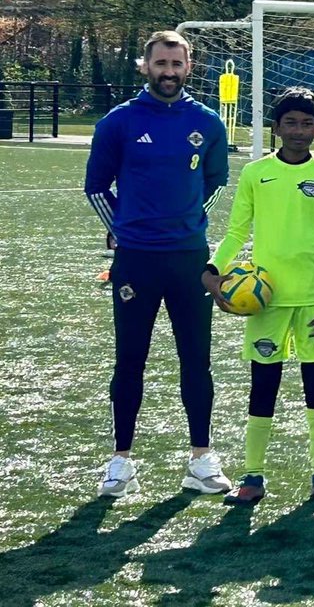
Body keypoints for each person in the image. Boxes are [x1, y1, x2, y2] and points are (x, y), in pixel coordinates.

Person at [85, 30, 231, 497]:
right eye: (161, 63)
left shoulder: (207, 122)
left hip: (189, 258)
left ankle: (201, 460)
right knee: (129, 359)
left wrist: (187, 224)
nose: (169, 72)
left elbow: (213, 185)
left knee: (197, 360)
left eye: (177, 64)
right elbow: (96, 187)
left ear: (189, 67)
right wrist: (125, 230)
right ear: (144, 66)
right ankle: (121, 462)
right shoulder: (118, 122)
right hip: (136, 261)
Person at [206, 87, 314, 505]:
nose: (299, 130)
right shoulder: (255, 174)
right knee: (262, 384)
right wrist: (214, 270)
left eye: (307, 123)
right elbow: (236, 231)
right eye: (290, 123)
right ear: (276, 127)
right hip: (265, 301)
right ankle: (252, 476)